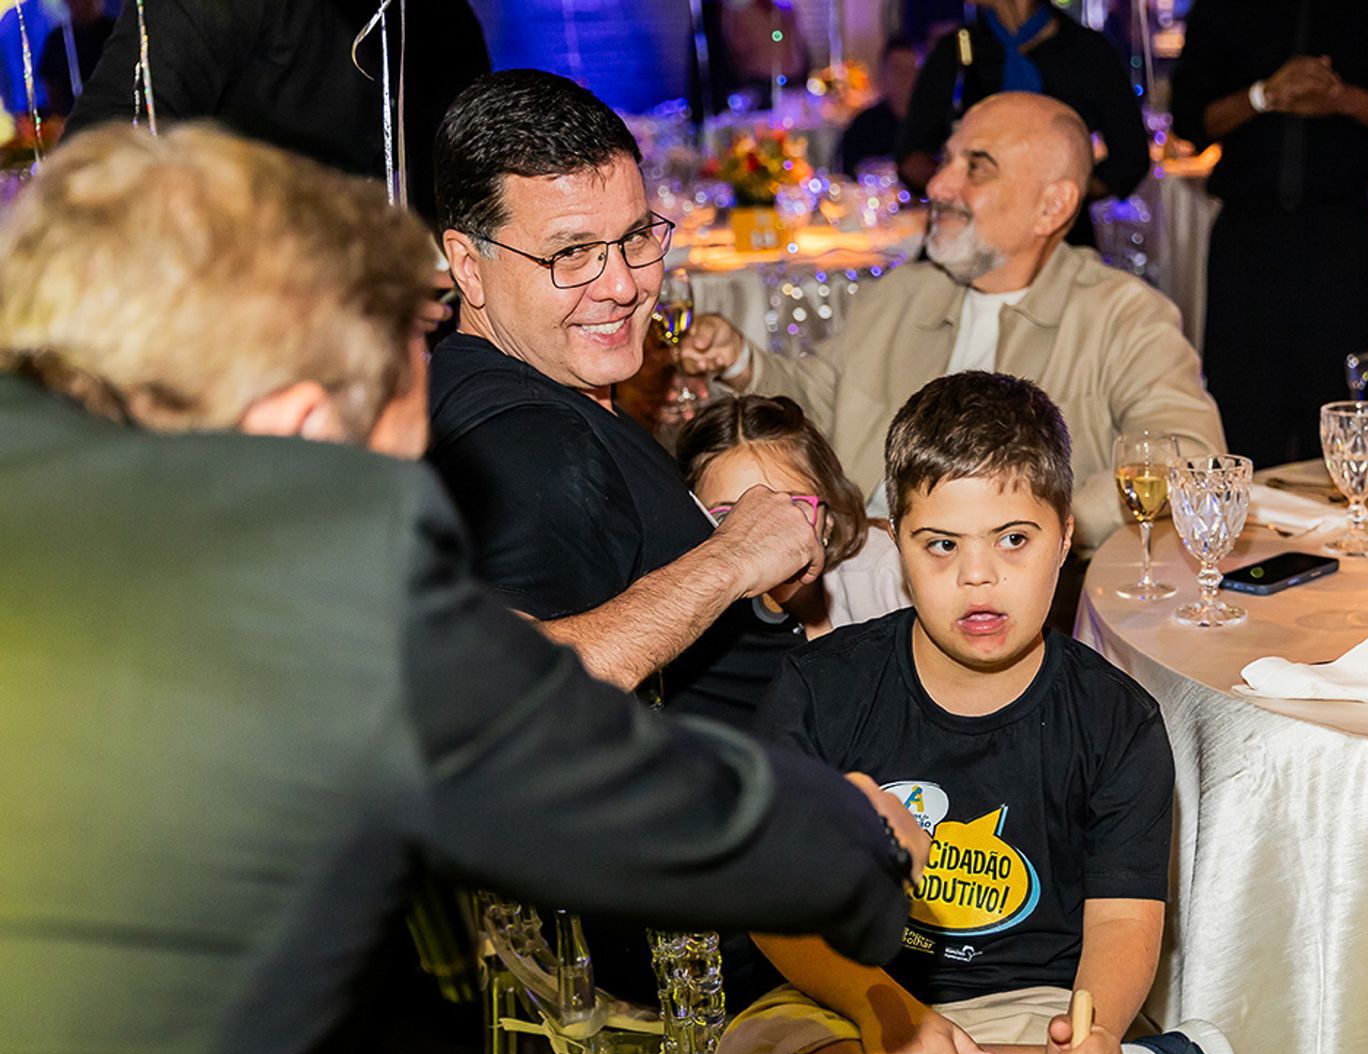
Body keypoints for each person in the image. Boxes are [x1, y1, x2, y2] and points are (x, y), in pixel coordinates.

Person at [0, 123, 929, 1054]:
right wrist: (857, 852)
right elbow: (583, 750)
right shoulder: (320, 610)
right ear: (297, 426)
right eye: (404, 399)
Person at [712, 372, 1293, 1054]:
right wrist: (885, 1010)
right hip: (847, 993)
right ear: (892, 543)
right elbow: (775, 905)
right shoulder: (821, 690)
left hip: (1034, 1015)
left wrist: (1094, 1035)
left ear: (1066, 538)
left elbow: (1124, 920)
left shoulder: (1118, 722)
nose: (976, 576)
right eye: (939, 544)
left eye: (1013, 539)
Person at [429, 70, 822, 730]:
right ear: (469, 267)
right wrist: (732, 557)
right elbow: (495, 694)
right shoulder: (530, 440)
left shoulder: (500, 379)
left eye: (636, 237)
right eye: (572, 253)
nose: (622, 285)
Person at [681, 92, 1224, 558]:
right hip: (855, 576)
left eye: (976, 167)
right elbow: (816, 401)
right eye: (947, 160)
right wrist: (741, 360)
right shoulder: (903, 293)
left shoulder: (1121, 316)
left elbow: (1187, 457)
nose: (939, 184)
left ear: (1052, 206)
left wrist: (1035, 531)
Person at [1170, 0, 1368, 466]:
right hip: (1248, 236)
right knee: (1242, 409)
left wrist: (1340, 98)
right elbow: (1190, 120)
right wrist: (1264, 95)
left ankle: (1349, 529)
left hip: (1339, 235)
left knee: (1346, 413)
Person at [65, 0, 490, 226]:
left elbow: (466, 201)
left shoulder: (447, 23)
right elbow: (96, 162)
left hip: (397, 341)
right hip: (234, 330)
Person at [896, 0, 1149, 248]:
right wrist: (966, 185)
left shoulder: (1085, 50)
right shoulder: (956, 50)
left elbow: (1131, 157)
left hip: (1058, 239)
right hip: (966, 234)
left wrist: (1057, 193)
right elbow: (911, 155)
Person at [677, 394, 911, 640]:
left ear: (828, 518)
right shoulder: (692, 626)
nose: (765, 540)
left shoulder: (887, 577)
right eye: (727, 517)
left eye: (791, 507)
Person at [839, 36, 921, 174]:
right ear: (882, 74)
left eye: (911, 68)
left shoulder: (935, 123)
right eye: (897, 69)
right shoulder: (863, 125)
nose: (905, 76)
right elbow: (849, 173)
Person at [34, 0, 114, 117]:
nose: (82, 4)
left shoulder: (116, 33)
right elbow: (52, 89)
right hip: (69, 121)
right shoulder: (58, 40)